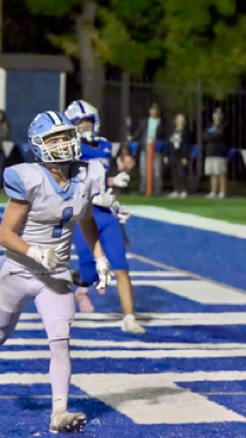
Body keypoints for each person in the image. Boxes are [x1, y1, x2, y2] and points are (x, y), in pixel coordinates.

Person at [0, 110, 112, 433]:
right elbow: (4, 235)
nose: (63, 144)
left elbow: (86, 218)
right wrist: (34, 251)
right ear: (39, 146)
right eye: (54, 139)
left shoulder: (85, 175)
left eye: (65, 136)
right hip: (19, 270)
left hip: (56, 275)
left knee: (60, 340)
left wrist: (99, 256)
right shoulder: (29, 178)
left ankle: (58, 413)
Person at [64, 99, 145, 334]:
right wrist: (100, 191)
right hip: (83, 215)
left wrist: (112, 188)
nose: (85, 127)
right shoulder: (69, 149)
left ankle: (129, 317)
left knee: (121, 265)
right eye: (79, 123)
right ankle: (78, 286)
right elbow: (74, 183)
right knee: (89, 273)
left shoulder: (105, 146)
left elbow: (98, 179)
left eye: (88, 122)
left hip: (106, 215)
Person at [131, 102, 165, 195]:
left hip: (156, 148)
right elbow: (139, 132)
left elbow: (164, 135)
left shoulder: (161, 123)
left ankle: (157, 190)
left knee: (157, 169)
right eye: (152, 109)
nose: (154, 111)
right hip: (145, 147)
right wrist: (132, 139)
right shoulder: (144, 122)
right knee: (143, 169)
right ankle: (143, 189)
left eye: (156, 109)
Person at [163, 113, 192, 198]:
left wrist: (185, 156)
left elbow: (187, 145)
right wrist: (165, 155)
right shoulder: (171, 132)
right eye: (179, 120)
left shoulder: (186, 133)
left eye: (182, 120)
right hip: (172, 154)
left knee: (182, 172)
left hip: (181, 155)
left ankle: (183, 190)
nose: (180, 121)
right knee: (174, 172)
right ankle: (176, 190)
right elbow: (167, 144)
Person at [202, 107, 229, 198]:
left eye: (218, 114)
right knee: (212, 173)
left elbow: (220, 135)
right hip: (210, 152)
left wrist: (211, 136)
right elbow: (204, 137)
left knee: (221, 173)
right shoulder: (209, 126)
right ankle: (213, 191)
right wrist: (212, 135)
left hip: (219, 153)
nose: (217, 116)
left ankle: (222, 191)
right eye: (215, 114)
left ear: (221, 116)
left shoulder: (224, 126)